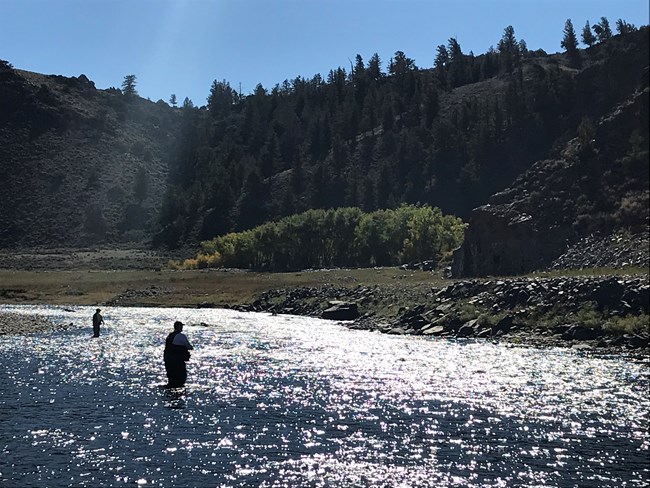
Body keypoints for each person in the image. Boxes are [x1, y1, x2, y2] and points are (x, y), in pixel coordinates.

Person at [164, 321, 193, 388]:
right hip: (177, 361)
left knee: (171, 379)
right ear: (179, 327)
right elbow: (189, 347)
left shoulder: (170, 336)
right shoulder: (181, 336)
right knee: (180, 379)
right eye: (181, 326)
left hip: (168, 360)